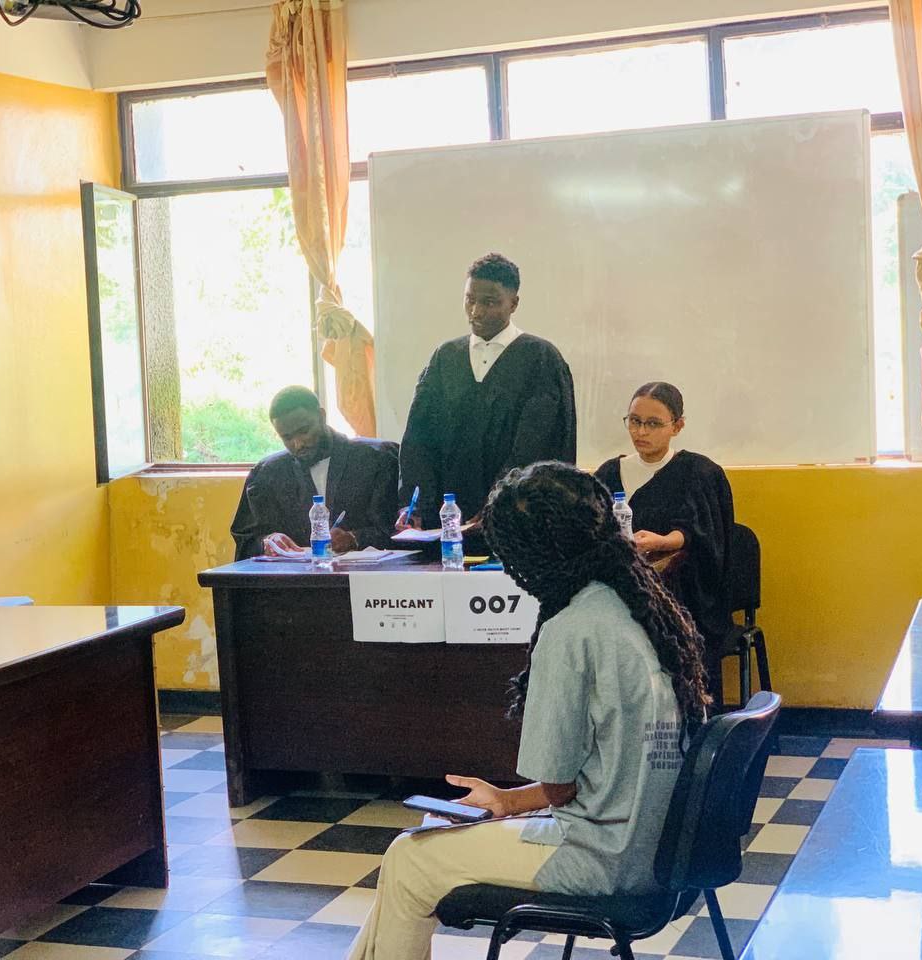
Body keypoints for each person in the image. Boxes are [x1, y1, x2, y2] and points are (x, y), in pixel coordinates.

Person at [347, 461, 709, 960]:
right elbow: (594, 776)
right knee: (412, 853)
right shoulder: (641, 605)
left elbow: (560, 788)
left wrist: (516, 804)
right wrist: (508, 802)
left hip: (603, 859)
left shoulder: (570, 629)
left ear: (530, 557)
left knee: (410, 858)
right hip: (661, 850)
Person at [397, 253, 576, 535]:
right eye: (470, 300)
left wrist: (498, 505)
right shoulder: (446, 358)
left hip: (516, 523)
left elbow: (536, 446)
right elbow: (418, 438)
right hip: (446, 523)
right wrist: (416, 506)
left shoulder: (540, 359)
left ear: (513, 303)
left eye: (489, 302)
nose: (476, 311)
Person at [594, 382, 734, 702]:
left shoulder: (698, 472)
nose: (641, 431)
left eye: (653, 423)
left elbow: (704, 532)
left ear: (677, 426)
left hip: (682, 591)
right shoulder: (609, 472)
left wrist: (664, 542)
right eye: (634, 421)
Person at [231, 386, 399, 561]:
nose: (298, 444)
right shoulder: (268, 474)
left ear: (321, 416)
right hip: (295, 576)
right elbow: (246, 539)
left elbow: (401, 528)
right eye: (287, 438)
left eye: (304, 431)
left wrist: (355, 538)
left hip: (366, 575)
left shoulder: (377, 459)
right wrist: (268, 541)